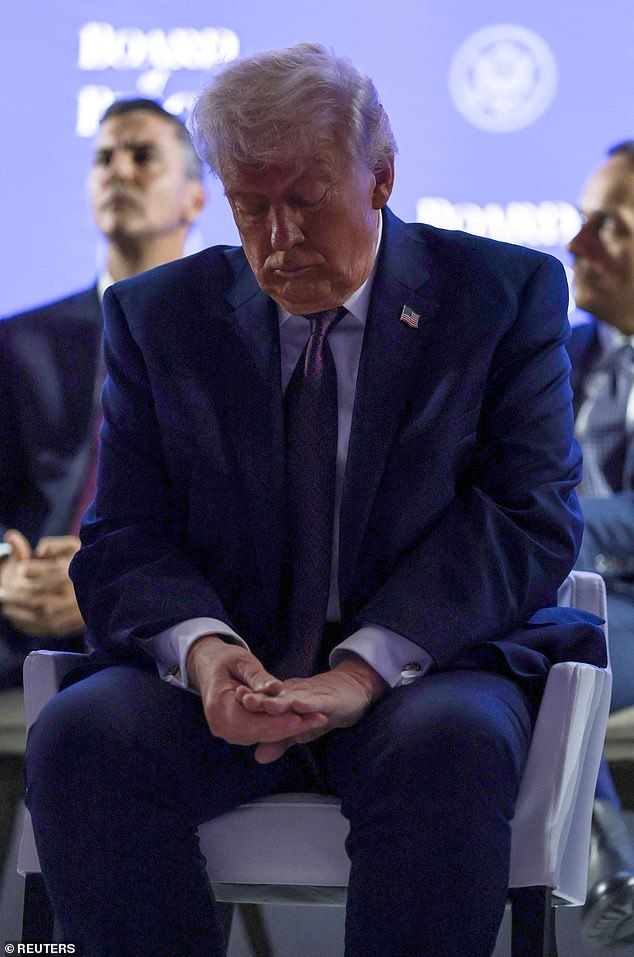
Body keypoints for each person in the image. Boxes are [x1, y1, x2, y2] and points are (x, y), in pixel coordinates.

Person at [24, 44, 605, 957]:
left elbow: (526, 518)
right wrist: (208, 655)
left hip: (425, 671)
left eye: (306, 199)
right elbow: (124, 536)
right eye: (250, 208)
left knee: (448, 746)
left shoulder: (498, 296)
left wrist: (361, 670)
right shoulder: (157, 315)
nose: (279, 238)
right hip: (229, 680)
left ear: (380, 177)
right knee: (82, 736)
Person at [0, 98, 205, 686]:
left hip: (158, 623)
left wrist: (105, 583)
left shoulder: (230, 343)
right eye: (105, 158)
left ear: (195, 199)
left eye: (143, 157)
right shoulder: (20, 340)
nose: (120, 170)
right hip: (19, 614)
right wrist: (7, 572)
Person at [566, 141, 634, 949]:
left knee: (550, 638)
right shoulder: (555, 355)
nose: (578, 243)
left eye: (609, 225)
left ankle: (614, 873)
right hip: (566, 597)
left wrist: (550, 532)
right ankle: (615, 874)